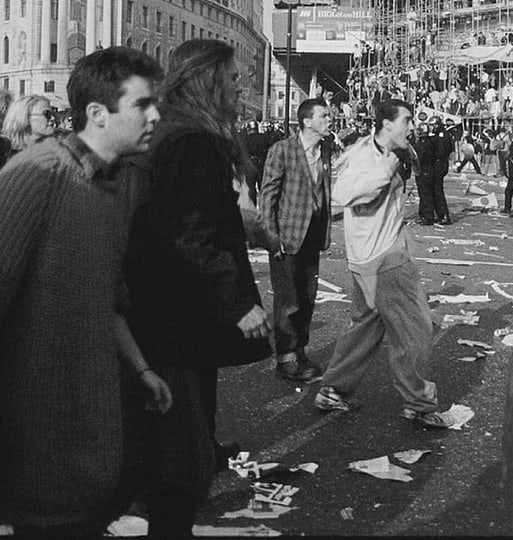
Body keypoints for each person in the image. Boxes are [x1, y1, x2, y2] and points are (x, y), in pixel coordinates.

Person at [0, 46, 170, 537]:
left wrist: (140, 369)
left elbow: (108, 296)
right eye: (142, 105)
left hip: (87, 436)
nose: (156, 115)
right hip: (36, 439)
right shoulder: (40, 173)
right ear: (97, 113)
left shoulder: (111, 187)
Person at [123, 39, 272, 536]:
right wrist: (240, 303)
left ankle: (187, 464)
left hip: (161, 304)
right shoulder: (191, 140)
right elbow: (189, 235)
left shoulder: (174, 131)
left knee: (179, 425)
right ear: (208, 80)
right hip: (177, 310)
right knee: (178, 449)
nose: (240, 86)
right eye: (231, 79)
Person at [313, 99, 455, 429]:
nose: (412, 126)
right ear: (387, 125)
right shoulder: (369, 157)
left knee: (366, 325)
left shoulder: (389, 152)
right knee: (417, 328)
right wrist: (384, 172)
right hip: (383, 260)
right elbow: (343, 194)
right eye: (406, 120)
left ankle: (333, 389)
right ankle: (419, 403)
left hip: (369, 257)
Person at [259, 98, 334, 382]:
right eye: (324, 116)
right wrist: (270, 233)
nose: (329, 119)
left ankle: (299, 350)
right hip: (288, 236)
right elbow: (268, 194)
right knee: (288, 300)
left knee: (307, 296)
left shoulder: (324, 150)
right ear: (306, 121)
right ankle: (286, 358)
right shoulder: (283, 150)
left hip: (313, 236)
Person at [1, 94, 57, 162]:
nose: (53, 118)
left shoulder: (57, 150)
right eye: (47, 114)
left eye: (53, 113)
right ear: (25, 117)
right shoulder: (4, 150)